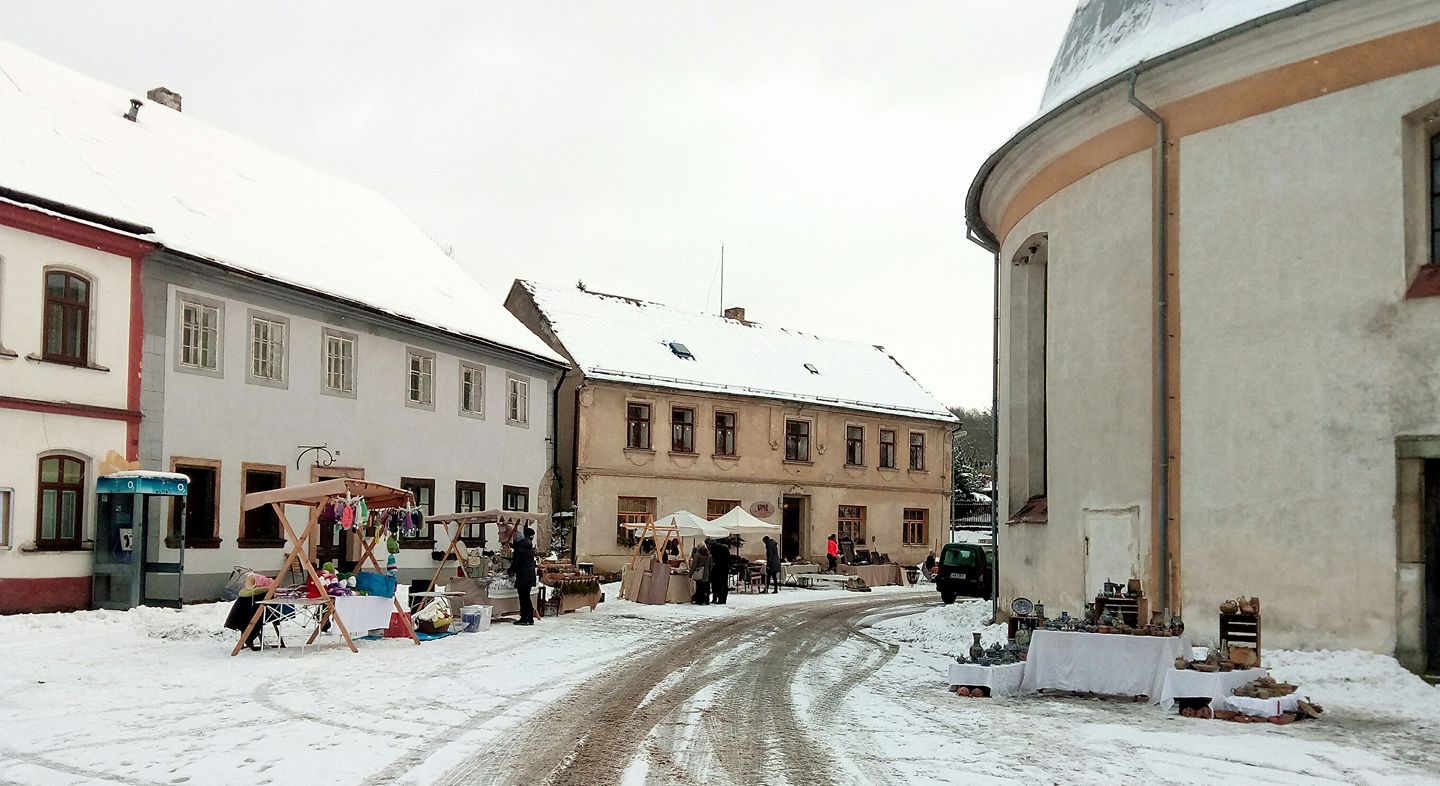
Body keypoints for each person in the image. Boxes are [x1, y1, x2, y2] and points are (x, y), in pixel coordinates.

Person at [509, 526, 538, 625]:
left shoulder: (520, 547)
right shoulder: (528, 545)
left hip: (523, 576)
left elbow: (517, 562)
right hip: (529, 574)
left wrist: (510, 570)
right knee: (526, 597)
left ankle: (525, 618)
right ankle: (529, 618)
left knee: (523, 597)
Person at [709, 538, 731, 605]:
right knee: (724, 584)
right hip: (725, 569)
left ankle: (718, 598)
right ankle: (723, 599)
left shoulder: (714, 550)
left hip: (717, 569)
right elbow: (729, 559)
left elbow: (712, 560)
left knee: (717, 585)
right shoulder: (725, 549)